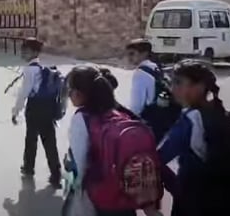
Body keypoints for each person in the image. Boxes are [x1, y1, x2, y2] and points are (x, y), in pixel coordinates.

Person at [66, 65, 162, 216]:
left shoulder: (82, 118)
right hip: (126, 192)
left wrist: (77, 190)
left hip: (103, 195)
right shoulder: (118, 113)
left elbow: (81, 164)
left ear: (80, 92)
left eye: (70, 88)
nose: (69, 93)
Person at [158, 59, 230, 216]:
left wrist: (175, 187)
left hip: (195, 201)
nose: (173, 89)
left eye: (179, 83)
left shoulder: (192, 119)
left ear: (200, 87)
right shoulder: (223, 112)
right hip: (229, 200)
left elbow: (159, 157)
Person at [11, 37, 62, 187]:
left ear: (34, 52)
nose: (23, 52)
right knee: (49, 141)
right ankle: (56, 173)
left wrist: (15, 111)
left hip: (35, 108)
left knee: (31, 139)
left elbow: (24, 93)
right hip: (48, 107)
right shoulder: (42, 68)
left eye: (25, 50)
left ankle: (28, 168)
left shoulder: (29, 69)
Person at [126, 38, 180, 140]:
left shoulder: (140, 73)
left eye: (132, 54)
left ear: (144, 53)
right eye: (128, 54)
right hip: (163, 118)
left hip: (149, 122)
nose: (129, 58)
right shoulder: (155, 67)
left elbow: (136, 107)